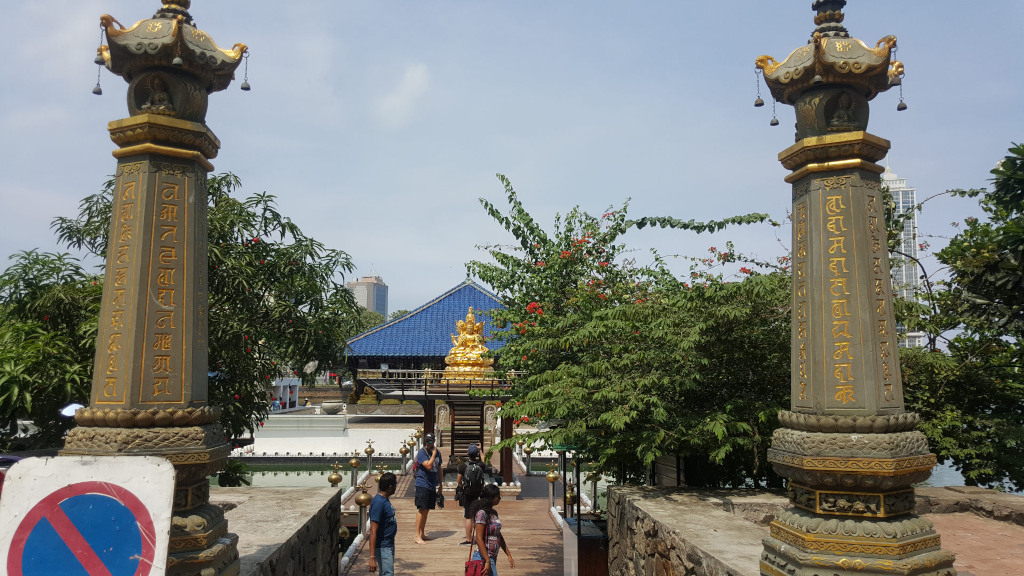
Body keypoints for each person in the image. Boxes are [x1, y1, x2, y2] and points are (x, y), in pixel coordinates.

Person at [470, 484, 514, 576]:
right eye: (498, 496)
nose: (499, 498)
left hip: (492, 557)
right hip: (483, 557)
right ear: (491, 498)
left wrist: (508, 555)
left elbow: (498, 535)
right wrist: (487, 560)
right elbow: (478, 538)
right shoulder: (481, 514)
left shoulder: (494, 513)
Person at [414, 433, 443, 544]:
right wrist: (433, 454)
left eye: (430, 441)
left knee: (427, 509)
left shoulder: (437, 452)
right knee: (421, 509)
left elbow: (439, 467)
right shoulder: (422, 452)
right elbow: (429, 465)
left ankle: (422, 533)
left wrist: (440, 484)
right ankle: (416, 535)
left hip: (432, 484)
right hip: (422, 484)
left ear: (434, 441)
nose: (428, 443)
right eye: (427, 441)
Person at [368, 472, 398, 576]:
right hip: (382, 546)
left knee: (386, 573)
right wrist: (372, 557)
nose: (395, 488)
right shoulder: (378, 503)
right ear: (390, 487)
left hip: (389, 543)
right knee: (388, 573)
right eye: (395, 485)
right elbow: (373, 530)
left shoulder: (385, 500)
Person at [457, 444, 486, 545]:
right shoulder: (480, 465)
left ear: (467, 453)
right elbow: (484, 460)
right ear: (477, 454)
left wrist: (462, 487)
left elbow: (459, 480)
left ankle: (469, 539)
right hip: (478, 493)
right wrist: (481, 450)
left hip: (468, 493)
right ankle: (479, 538)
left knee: (468, 516)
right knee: (478, 515)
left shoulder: (463, 466)